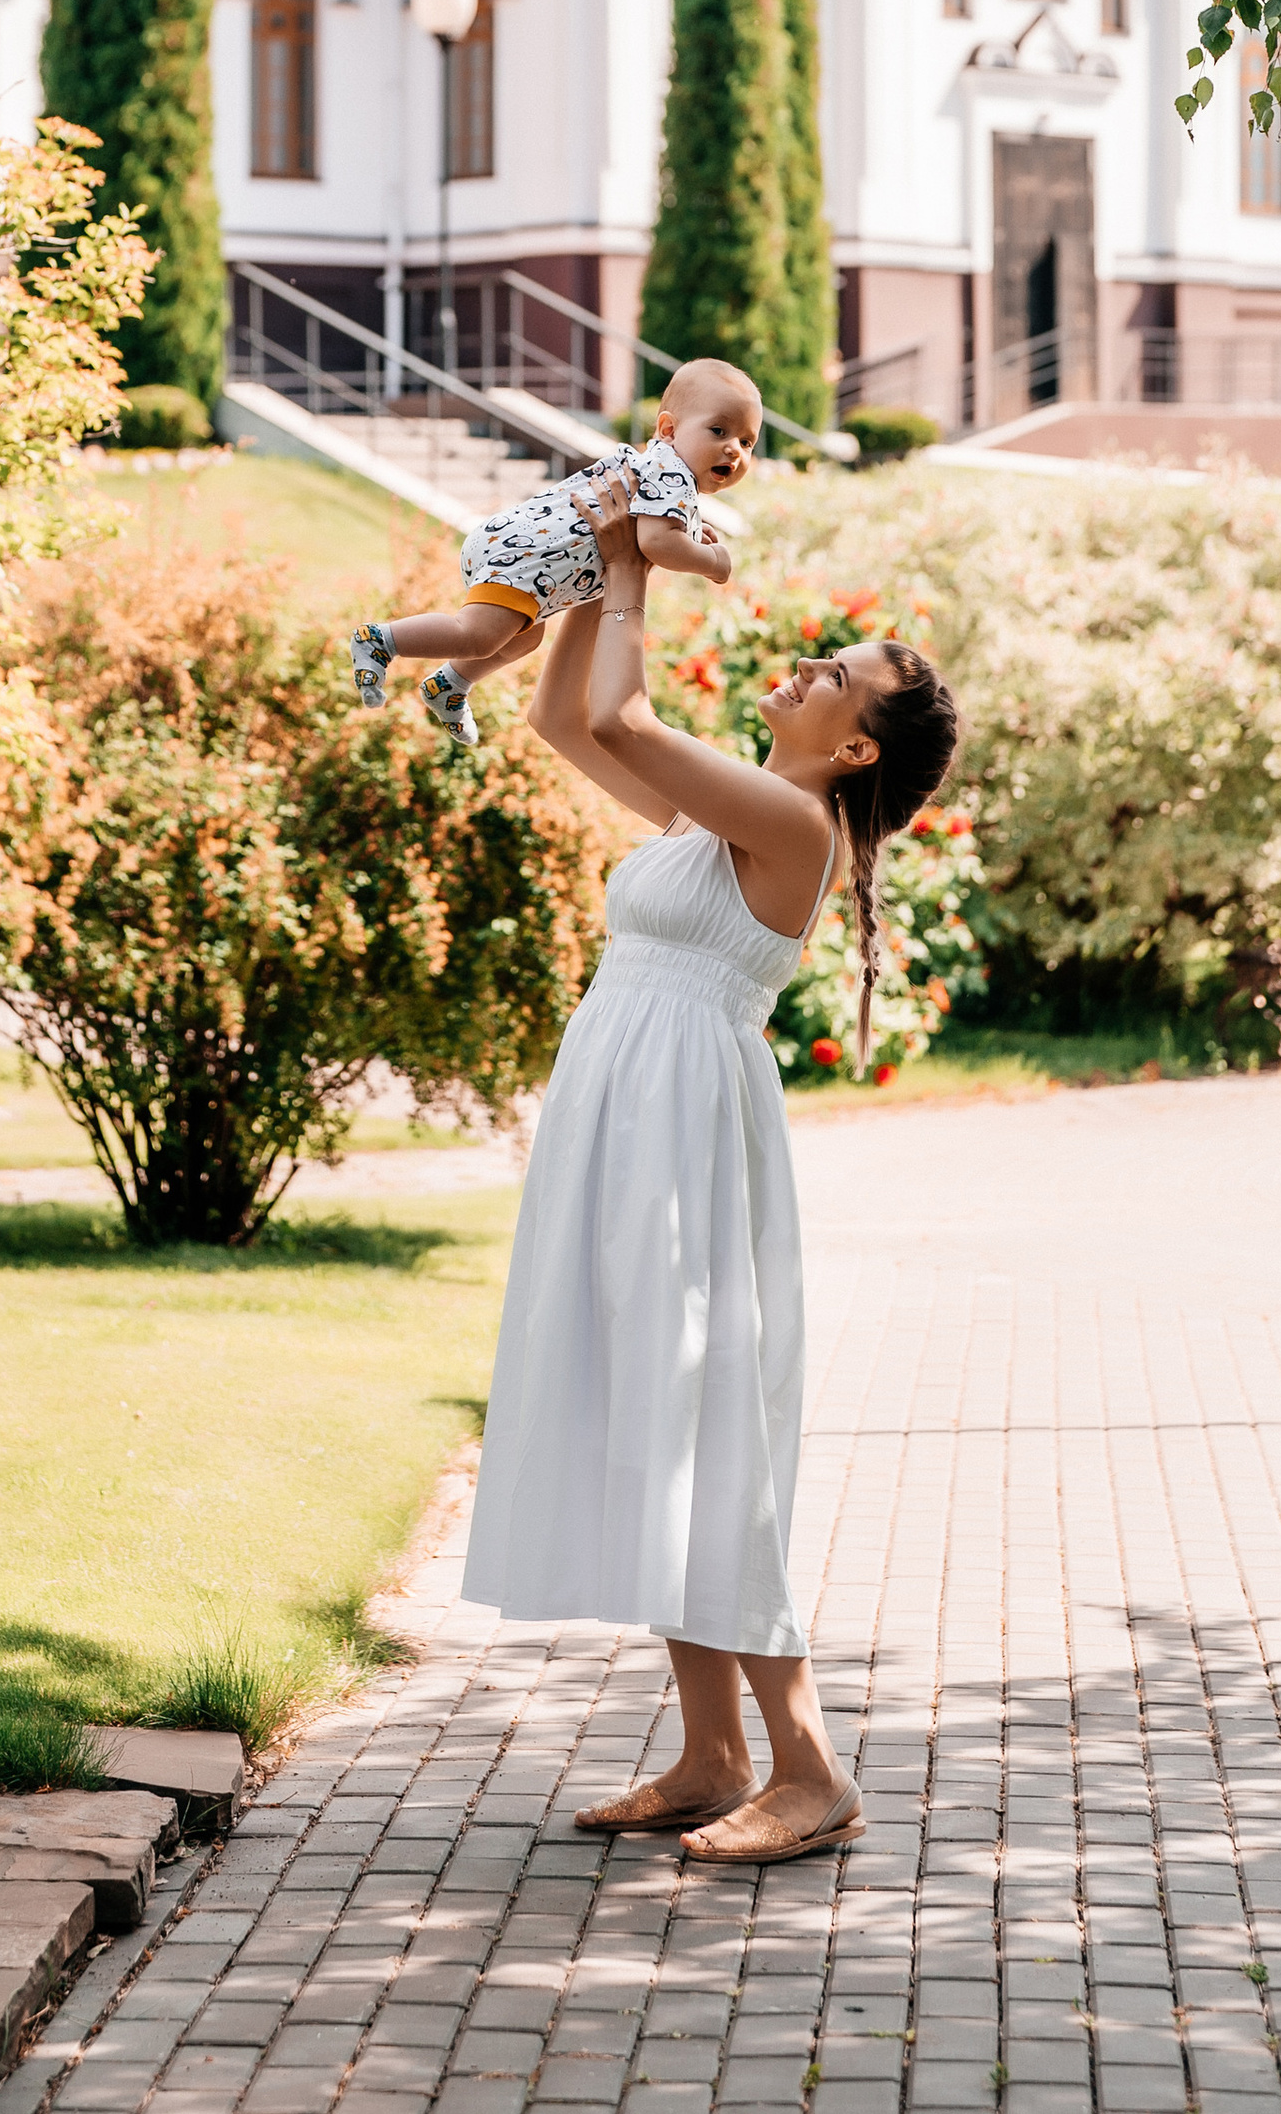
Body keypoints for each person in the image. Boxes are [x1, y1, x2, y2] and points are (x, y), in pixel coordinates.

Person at [461, 464, 959, 1866]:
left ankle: (808, 1768)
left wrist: (630, 561)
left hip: (682, 1127)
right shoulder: (726, 810)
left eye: (833, 673)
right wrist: (578, 565)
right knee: (653, 1416)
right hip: (630, 1104)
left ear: (857, 748)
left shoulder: (792, 823)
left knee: (705, 1430)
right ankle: (710, 1751)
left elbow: (620, 710)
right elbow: (570, 714)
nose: (803, 668)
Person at [350, 357, 759, 746]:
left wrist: (687, 531)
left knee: (522, 639)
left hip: (521, 555)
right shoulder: (672, 473)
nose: (734, 450)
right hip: (526, 561)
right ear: (668, 429)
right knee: (475, 635)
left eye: (746, 441)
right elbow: (656, 543)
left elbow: (655, 527)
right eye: (719, 431)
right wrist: (714, 562)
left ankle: (450, 685)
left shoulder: (659, 467)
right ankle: (380, 640)